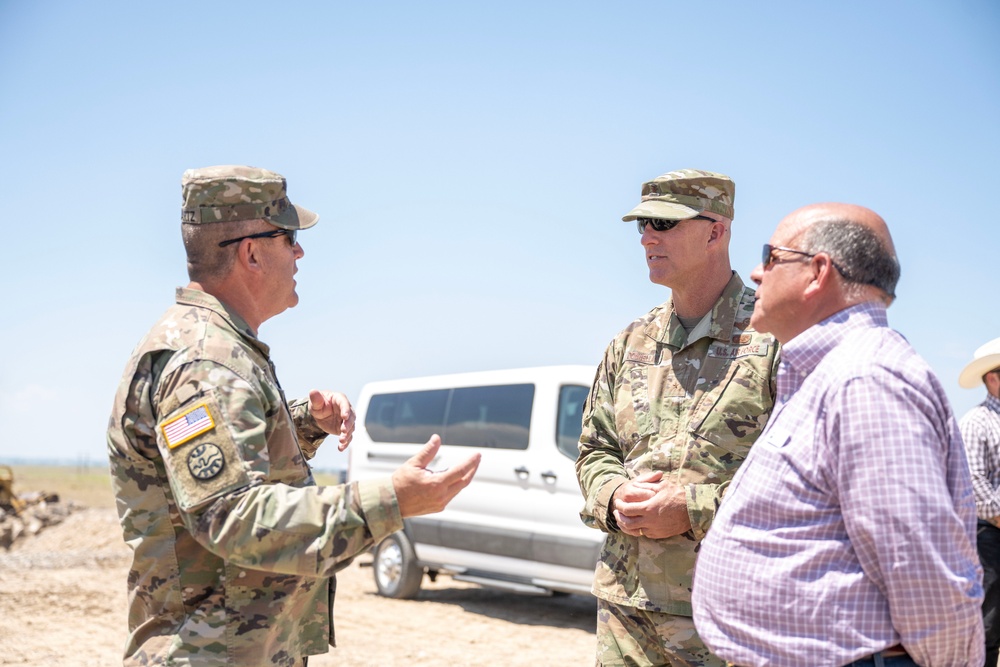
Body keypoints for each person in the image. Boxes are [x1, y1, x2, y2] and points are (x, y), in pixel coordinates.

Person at [106, 165, 481, 667]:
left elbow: (220, 475)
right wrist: (390, 500)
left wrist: (302, 424)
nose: (300, 252)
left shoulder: (218, 350)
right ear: (252, 252)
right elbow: (233, 518)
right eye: (289, 237)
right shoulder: (206, 361)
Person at [691, 203, 984, 666]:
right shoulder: (832, 372)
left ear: (818, 272)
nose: (755, 273)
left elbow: (922, 568)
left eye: (771, 257)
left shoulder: (866, 379)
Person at [575, 169, 779, 666]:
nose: (647, 237)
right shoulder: (630, 343)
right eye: (643, 224)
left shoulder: (775, 339)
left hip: (731, 616)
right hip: (626, 610)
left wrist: (694, 509)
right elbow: (594, 450)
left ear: (716, 230)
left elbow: (804, 482)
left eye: (664, 224)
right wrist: (614, 494)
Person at [959, 336, 1000, 667]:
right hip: (989, 539)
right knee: (987, 629)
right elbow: (975, 484)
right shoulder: (977, 422)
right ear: (993, 377)